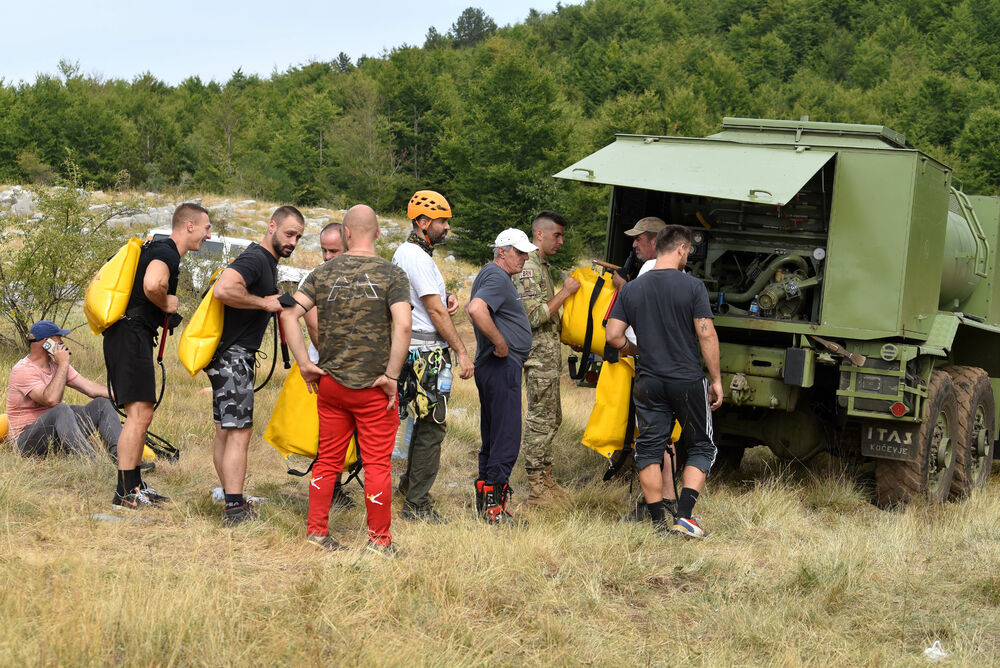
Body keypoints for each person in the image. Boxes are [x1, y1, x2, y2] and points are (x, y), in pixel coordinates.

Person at [280, 204, 411, 554]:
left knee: (327, 459)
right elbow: (404, 324)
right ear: (378, 233)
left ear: (347, 233)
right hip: (373, 387)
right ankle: (379, 542)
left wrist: (306, 363)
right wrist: (392, 376)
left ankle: (317, 532)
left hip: (332, 385)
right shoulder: (392, 274)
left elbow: (289, 313)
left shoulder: (324, 273)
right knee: (378, 464)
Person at [606, 224, 723, 538]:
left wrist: (638, 350)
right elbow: (706, 334)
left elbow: (613, 336)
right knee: (701, 445)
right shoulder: (692, 286)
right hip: (686, 381)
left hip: (649, 381)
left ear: (658, 248)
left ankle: (658, 522)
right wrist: (716, 379)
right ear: (681, 249)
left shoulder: (631, 289)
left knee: (649, 449)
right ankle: (685, 515)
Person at [104, 202, 212, 508]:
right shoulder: (166, 252)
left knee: (142, 413)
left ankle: (134, 484)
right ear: (189, 225)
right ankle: (125, 492)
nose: (207, 235)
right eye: (206, 228)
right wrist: (165, 303)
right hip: (131, 335)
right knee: (138, 415)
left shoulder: (159, 249)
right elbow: (153, 284)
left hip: (129, 335)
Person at [208, 205, 304, 526]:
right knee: (239, 431)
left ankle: (231, 497)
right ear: (272, 226)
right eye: (289, 233)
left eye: (298, 237)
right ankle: (235, 510)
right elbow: (224, 289)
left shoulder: (267, 263)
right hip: (233, 355)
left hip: (229, 355)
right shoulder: (256, 259)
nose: (292, 241)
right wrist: (264, 302)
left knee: (226, 429)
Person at [391, 190, 475, 523]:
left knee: (422, 423)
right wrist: (463, 351)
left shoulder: (412, 254)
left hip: (417, 351)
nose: (446, 228)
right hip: (427, 355)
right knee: (432, 427)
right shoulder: (416, 256)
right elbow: (435, 313)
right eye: (441, 222)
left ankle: (408, 489)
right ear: (423, 222)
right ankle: (417, 504)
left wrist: (447, 296)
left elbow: (432, 301)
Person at [466, 228, 536, 525]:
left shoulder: (492, 275)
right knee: (506, 435)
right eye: (518, 252)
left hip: (495, 367)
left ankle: (486, 498)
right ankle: (495, 507)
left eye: (525, 252)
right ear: (502, 251)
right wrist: (500, 342)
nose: (524, 257)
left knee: (494, 434)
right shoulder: (496, 276)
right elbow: (476, 309)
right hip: (500, 365)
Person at [613, 217, 678, 522]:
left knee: (653, 436)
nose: (634, 244)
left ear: (654, 240)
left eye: (638, 239)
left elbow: (639, 306)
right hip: (669, 360)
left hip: (651, 361)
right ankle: (669, 499)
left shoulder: (650, 270)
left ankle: (658, 506)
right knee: (663, 435)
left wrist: (622, 287)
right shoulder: (674, 272)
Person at [515, 211, 580, 507]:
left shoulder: (542, 264)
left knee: (553, 419)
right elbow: (533, 315)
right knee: (540, 422)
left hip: (549, 356)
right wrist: (565, 292)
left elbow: (549, 316)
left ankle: (547, 478)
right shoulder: (528, 265)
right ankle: (535, 488)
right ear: (539, 234)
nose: (561, 241)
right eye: (557, 235)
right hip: (537, 358)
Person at [6, 320, 120, 458]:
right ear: (46, 342)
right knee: (61, 409)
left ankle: (121, 456)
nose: (62, 342)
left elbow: (90, 387)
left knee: (102, 403)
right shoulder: (23, 370)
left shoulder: (56, 364)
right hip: (26, 441)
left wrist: (122, 396)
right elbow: (51, 400)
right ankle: (89, 460)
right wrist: (64, 363)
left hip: (56, 433)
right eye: (58, 339)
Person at [301, 222, 354, 509]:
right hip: (329, 369)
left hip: (356, 370)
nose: (327, 256)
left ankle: (335, 486)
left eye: (334, 250)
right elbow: (313, 324)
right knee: (330, 436)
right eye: (324, 250)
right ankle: (328, 491)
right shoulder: (317, 278)